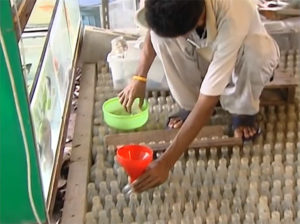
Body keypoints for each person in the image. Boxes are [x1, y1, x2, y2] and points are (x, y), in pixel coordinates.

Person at [118, 0, 279, 193]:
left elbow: (208, 102)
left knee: (257, 52)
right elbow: (155, 30)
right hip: (206, 48)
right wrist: (139, 77)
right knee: (163, 39)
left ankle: (243, 110)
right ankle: (188, 104)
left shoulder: (234, 12)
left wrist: (165, 163)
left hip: (245, 51)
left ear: (199, 19)